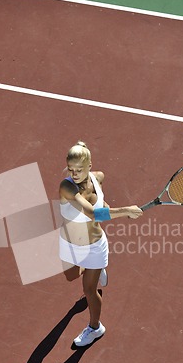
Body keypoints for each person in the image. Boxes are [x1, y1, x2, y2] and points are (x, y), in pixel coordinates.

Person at [59, 141, 143, 347]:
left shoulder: (98, 178)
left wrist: (118, 211)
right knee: (70, 276)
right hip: (68, 243)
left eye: (79, 169)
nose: (74, 173)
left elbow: (101, 205)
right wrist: (126, 211)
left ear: (89, 166)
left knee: (89, 290)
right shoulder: (67, 186)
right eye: (71, 169)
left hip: (95, 244)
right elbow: (93, 213)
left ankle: (95, 328)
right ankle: (93, 269)